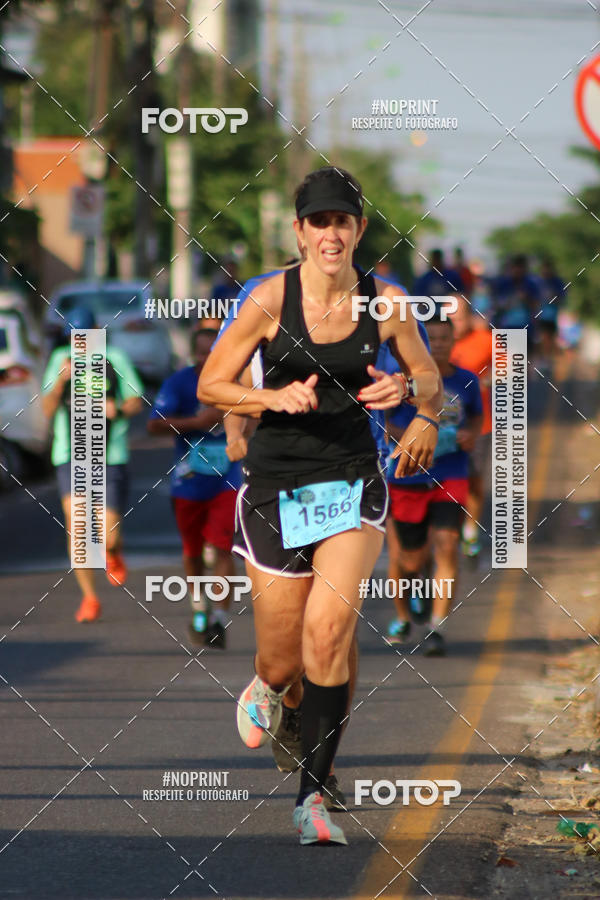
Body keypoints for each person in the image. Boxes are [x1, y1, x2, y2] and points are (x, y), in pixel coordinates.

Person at [198, 166, 440, 846]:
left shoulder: (386, 303)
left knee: (329, 633)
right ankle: (269, 689)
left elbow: (428, 374)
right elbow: (212, 383)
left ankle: (312, 795)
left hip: (352, 482)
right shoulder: (269, 298)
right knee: (282, 661)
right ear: (300, 231)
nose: (331, 234)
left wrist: (417, 403)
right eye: (319, 222)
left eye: (343, 221)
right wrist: (270, 398)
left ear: (359, 230)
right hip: (276, 487)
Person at [386, 314, 482, 655]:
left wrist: (469, 435)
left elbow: (476, 417)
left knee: (447, 544)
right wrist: (418, 436)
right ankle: (403, 613)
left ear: (455, 341)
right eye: (433, 339)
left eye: (445, 338)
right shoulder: (401, 380)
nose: (439, 345)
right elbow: (382, 423)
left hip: (451, 473)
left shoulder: (467, 380)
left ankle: (436, 627)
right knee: (408, 559)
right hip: (407, 476)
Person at [41, 307, 143, 622]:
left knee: (107, 535)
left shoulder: (115, 358)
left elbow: (136, 400)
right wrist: (60, 382)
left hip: (109, 456)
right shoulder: (60, 359)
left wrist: (118, 410)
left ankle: (113, 553)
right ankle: (90, 597)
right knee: (78, 528)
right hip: (70, 455)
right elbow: (46, 409)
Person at [147, 328, 242, 647]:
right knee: (193, 552)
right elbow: (153, 424)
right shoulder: (179, 383)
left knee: (223, 548)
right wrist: (198, 423)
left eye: (213, 352)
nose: (207, 359)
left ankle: (220, 619)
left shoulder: (237, 381)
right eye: (202, 353)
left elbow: (257, 417)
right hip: (188, 483)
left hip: (227, 480)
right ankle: (199, 608)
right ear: (192, 354)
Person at [449, 297, 493, 557]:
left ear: (468, 317)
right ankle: (447, 527)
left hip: (479, 423)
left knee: (473, 477)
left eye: (459, 318)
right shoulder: (433, 341)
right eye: (450, 318)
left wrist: (488, 379)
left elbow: (512, 367)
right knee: (446, 478)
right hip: (443, 424)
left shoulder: (485, 340)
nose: (455, 324)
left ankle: (470, 530)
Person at [535, 258, 566, 369]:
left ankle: (547, 360)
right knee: (541, 338)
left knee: (549, 338)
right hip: (538, 316)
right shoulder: (537, 282)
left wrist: (554, 297)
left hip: (551, 316)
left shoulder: (557, 282)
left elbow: (562, 298)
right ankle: (542, 360)